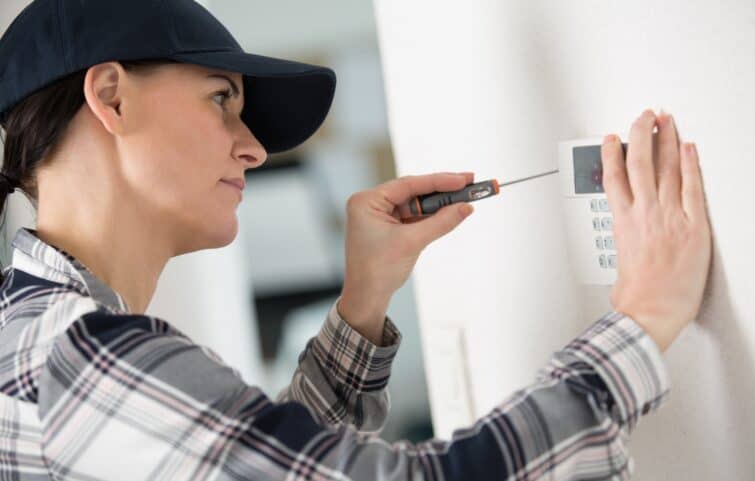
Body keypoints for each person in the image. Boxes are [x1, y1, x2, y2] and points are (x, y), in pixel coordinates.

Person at [0, 1, 712, 480]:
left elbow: (262, 463)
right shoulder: (77, 357)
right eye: (222, 99)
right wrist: (644, 318)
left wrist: (363, 300)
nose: (253, 148)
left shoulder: (33, 341)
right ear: (111, 97)